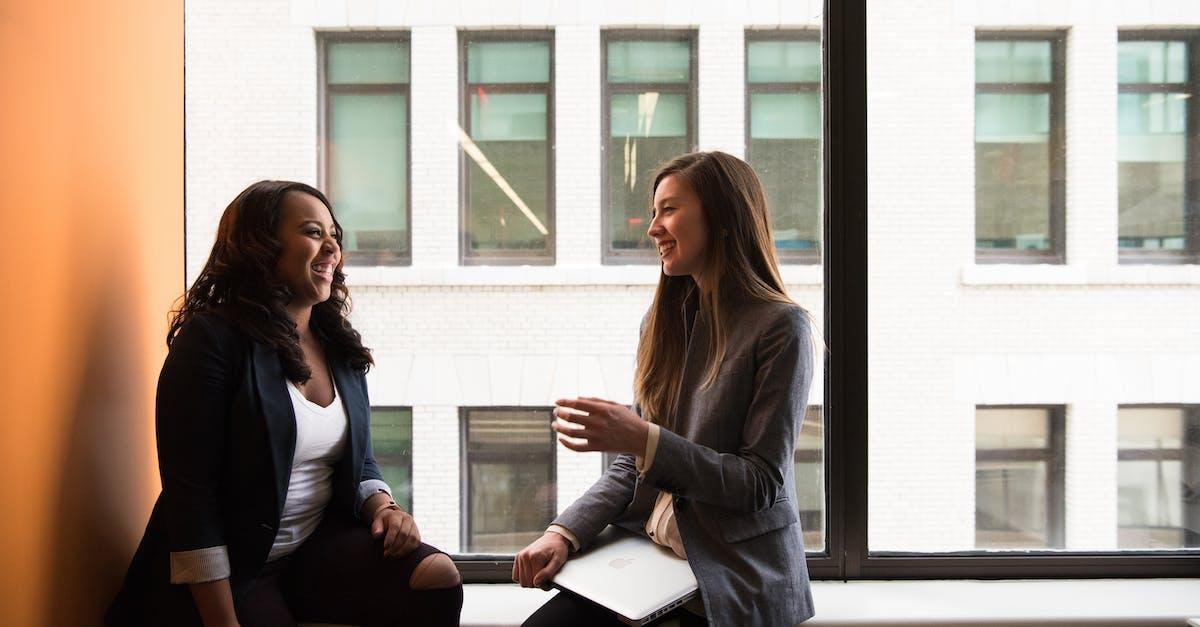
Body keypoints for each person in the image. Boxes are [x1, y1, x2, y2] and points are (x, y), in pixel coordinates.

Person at [106, 181, 462, 627]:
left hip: (311, 550)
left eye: (335, 235)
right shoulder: (212, 342)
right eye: (314, 232)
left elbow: (359, 460)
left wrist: (385, 508)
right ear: (260, 245)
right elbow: (191, 499)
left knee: (435, 577)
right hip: (232, 572)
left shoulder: (337, 344)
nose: (332, 246)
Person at [514, 152, 817, 626]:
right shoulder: (664, 323)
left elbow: (759, 484)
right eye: (654, 212)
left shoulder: (781, 327)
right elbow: (633, 467)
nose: (653, 228)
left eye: (669, 209)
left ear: (722, 217)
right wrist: (564, 533)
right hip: (649, 562)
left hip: (729, 575)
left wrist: (642, 439)